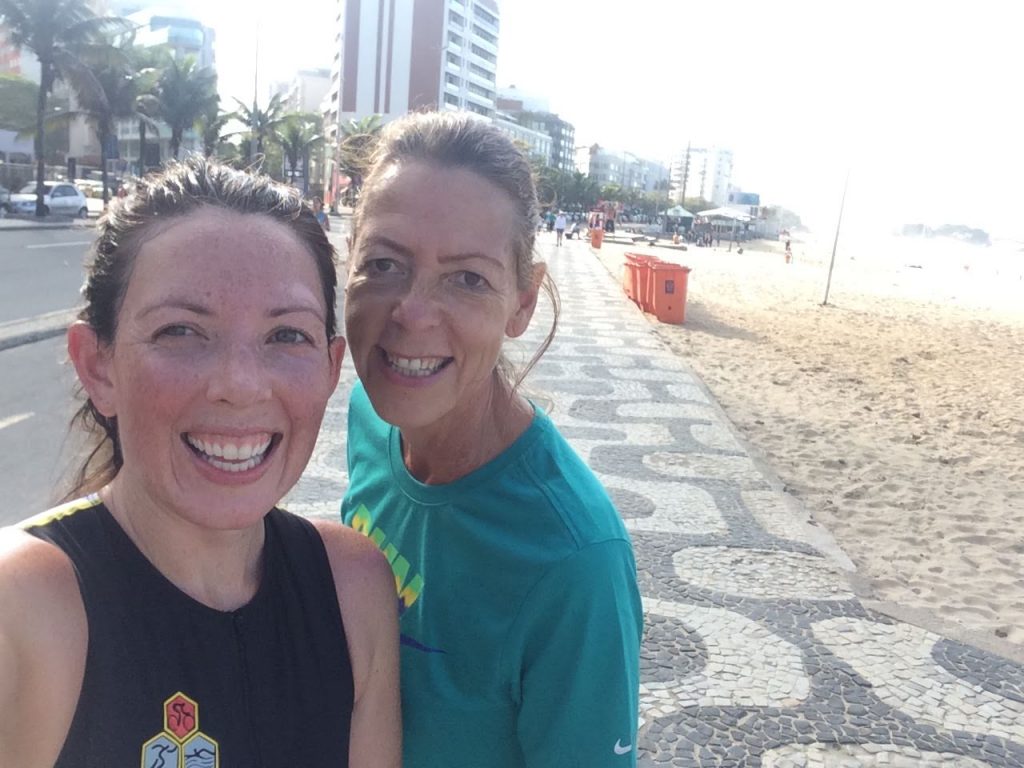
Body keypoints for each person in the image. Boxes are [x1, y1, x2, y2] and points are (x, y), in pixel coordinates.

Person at [0, 158, 401, 768]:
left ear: (329, 367)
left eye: (286, 335)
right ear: (97, 366)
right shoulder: (25, 607)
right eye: (182, 331)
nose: (239, 385)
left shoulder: (353, 588)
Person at [341, 111, 642, 768]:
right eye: (385, 263)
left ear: (522, 303)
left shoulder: (574, 563)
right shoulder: (369, 414)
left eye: (467, 278)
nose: (411, 314)